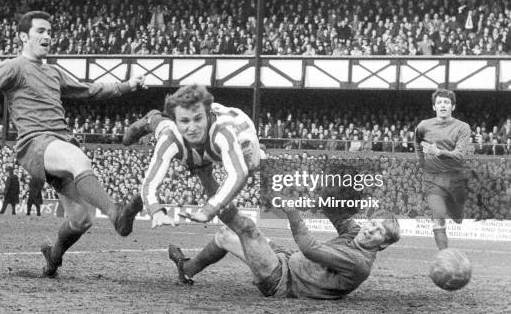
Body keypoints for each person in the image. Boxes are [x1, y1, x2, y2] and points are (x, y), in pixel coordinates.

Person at [0, 11, 146, 277]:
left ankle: (53, 258)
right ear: (23, 37)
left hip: (58, 145)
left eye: (50, 32)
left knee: (82, 219)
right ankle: (116, 214)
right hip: (35, 144)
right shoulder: (13, 67)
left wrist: (128, 85)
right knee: (78, 159)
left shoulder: (54, 72)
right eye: (40, 31)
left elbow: (89, 89)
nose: (47, 36)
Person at [168, 205, 400, 298]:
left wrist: (292, 211)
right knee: (224, 234)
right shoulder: (355, 234)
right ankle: (186, 269)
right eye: (372, 223)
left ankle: (186, 268)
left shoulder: (358, 260)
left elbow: (310, 248)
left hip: (282, 280)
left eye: (379, 231)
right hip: (286, 261)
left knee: (244, 227)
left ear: (383, 244)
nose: (370, 230)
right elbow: (337, 214)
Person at [123, 84, 265, 225]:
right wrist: (156, 212)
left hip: (236, 131)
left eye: (197, 120)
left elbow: (238, 174)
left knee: (245, 167)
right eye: (184, 121)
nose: (191, 128)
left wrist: (209, 210)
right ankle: (152, 118)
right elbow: (150, 181)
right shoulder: (171, 135)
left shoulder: (226, 134)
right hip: (198, 138)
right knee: (144, 134)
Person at [415, 89, 471, 250]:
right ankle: (445, 256)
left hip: (455, 179)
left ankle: (456, 214)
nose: (443, 105)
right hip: (433, 179)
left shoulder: (462, 127)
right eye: (439, 102)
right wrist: (422, 162)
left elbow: (459, 155)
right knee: (438, 217)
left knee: (458, 218)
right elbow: (418, 143)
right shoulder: (424, 125)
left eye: (446, 102)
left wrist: (438, 152)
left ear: (453, 107)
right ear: (434, 107)